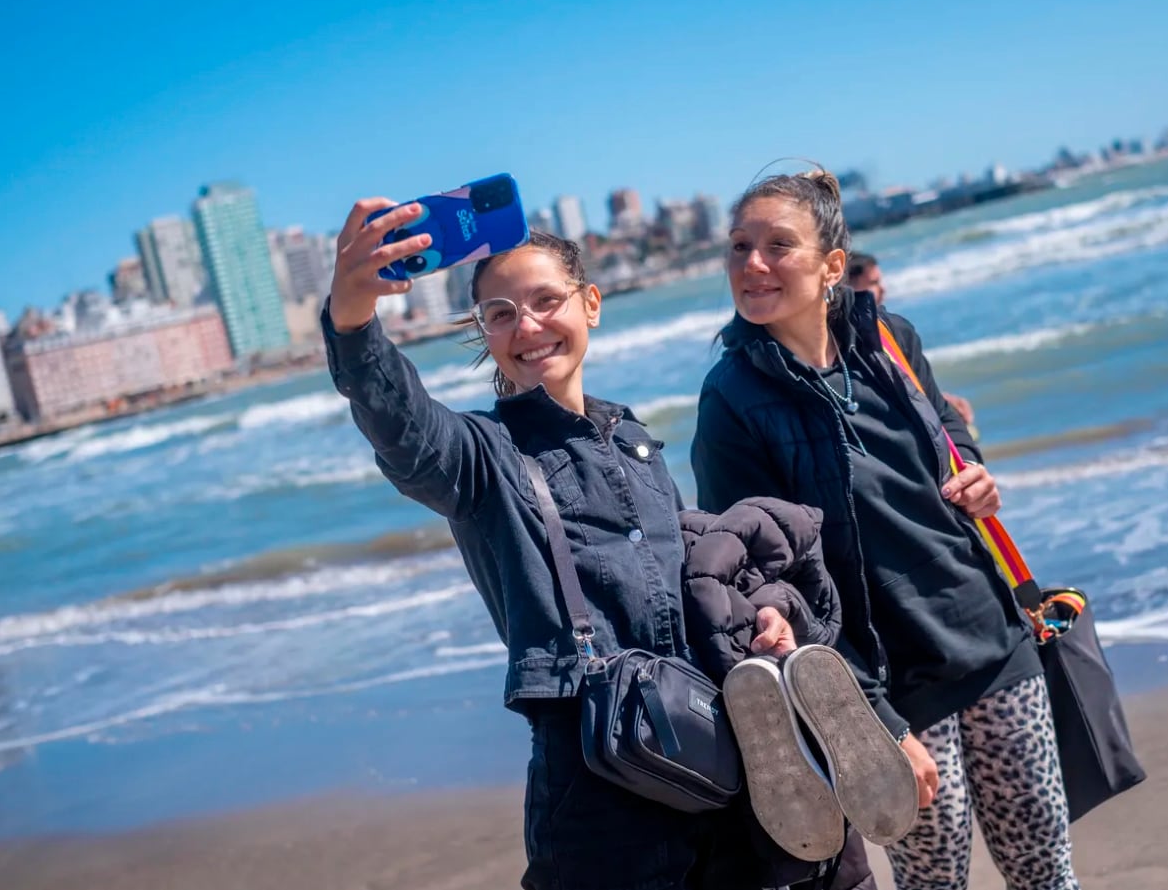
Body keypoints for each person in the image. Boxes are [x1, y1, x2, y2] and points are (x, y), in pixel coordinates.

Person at [323, 207, 839, 890]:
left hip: (703, 743)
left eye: (546, 301)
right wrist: (353, 319)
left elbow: (687, 581)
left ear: (589, 303)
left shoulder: (633, 438)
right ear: (485, 332)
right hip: (594, 778)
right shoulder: (482, 456)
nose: (528, 327)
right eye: (501, 314)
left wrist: (759, 618)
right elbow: (405, 431)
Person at [691, 171, 1080, 890]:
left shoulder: (890, 339)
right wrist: (871, 720)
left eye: (778, 245)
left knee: (1046, 872)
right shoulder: (731, 401)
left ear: (831, 265)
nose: (753, 263)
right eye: (740, 246)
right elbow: (761, 576)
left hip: (990, 634)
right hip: (888, 682)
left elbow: (949, 430)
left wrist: (977, 473)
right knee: (934, 883)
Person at [846, 252, 978, 435]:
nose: (883, 290)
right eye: (873, 283)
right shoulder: (848, 344)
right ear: (847, 285)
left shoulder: (894, 330)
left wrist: (941, 401)